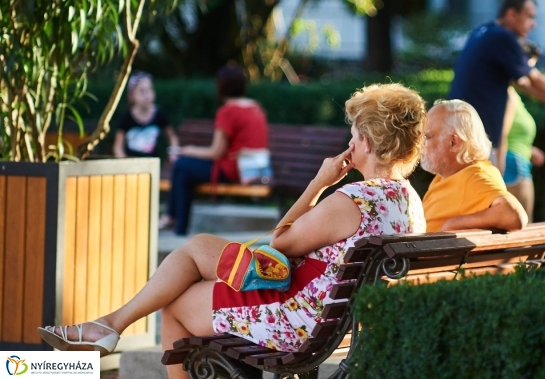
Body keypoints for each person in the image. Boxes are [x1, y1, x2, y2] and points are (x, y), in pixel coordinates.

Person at [38, 83, 428, 378]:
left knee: (175, 306)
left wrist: (319, 182)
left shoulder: (354, 200)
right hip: (339, 321)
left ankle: (107, 327)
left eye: (354, 136)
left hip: (298, 319)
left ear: (368, 143)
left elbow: (282, 240)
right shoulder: (410, 202)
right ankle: (108, 325)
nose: (350, 143)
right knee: (198, 248)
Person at [449, 0, 545, 159]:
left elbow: (524, 84)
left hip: (459, 133)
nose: (534, 24)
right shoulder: (502, 37)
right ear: (512, 14)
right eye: (530, 16)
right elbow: (535, 79)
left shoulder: (482, 31)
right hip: (478, 139)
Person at [160, 65, 269, 235]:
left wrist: (189, 150)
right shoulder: (255, 107)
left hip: (234, 170)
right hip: (253, 168)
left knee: (181, 165)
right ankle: (175, 224)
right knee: (183, 173)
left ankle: (174, 223)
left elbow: (216, 152)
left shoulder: (228, 111)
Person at [421, 99, 528, 232]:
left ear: (454, 142)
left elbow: (513, 215)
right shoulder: (448, 175)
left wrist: (454, 224)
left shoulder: (475, 176)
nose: (420, 143)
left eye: (427, 136)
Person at [498, 40, 545, 222]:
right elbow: (500, 134)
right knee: (524, 226)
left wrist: (528, 149)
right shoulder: (507, 95)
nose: (528, 74)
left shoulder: (509, 93)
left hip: (515, 159)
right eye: (528, 67)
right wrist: (498, 171)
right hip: (513, 164)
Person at [113, 72, 179, 159]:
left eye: (149, 90)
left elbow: (171, 136)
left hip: (153, 163)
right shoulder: (126, 116)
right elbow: (118, 146)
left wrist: (173, 152)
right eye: (142, 91)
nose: (147, 95)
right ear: (131, 95)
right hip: (132, 163)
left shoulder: (159, 113)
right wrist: (124, 162)